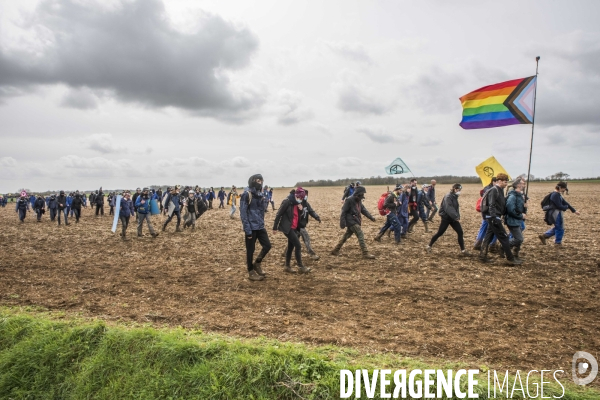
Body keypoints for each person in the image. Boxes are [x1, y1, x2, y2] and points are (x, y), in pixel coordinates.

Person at [478, 173, 521, 265]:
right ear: (500, 181)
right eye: (505, 182)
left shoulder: (500, 190)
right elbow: (491, 205)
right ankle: (510, 258)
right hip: (493, 217)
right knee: (504, 237)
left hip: (493, 217)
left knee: (488, 236)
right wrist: (494, 218)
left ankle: (482, 256)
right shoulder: (494, 190)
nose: (506, 184)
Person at [331, 186, 377, 259]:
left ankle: (335, 250)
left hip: (355, 220)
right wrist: (342, 222)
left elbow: (363, 210)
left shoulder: (359, 200)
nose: (363, 196)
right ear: (358, 194)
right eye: (362, 194)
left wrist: (371, 217)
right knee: (360, 234)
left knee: (346, 236)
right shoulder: (349, 200)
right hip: (351, 221)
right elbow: (343, 211)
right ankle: (365, 253)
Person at [240, 174, 271, 281]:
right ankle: (250, 271)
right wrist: (248, 230)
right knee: (250, 250)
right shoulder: (246, 195)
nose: (260, 182)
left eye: (262, 180)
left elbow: (262, 211)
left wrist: (264, 201)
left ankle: (257, 263)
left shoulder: (260, 195)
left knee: (267, 245)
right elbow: (243, 214)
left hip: (260, 226)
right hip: (251, 228)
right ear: (252, 181)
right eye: (258, 180)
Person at [273, 188, 312, 274]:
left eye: (302, 199)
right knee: (298, 245)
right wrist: (275, 227)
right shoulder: (287, 202)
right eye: (300, 198)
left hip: (294, 228)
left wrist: (301, 210)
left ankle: (287, 266)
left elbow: (299, 217)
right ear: (296, 196)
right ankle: (301, 266)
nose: (301, 200)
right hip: (287, 228)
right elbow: (279, 214)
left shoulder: (298, 203)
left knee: (291, 247)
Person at [426, 184, 470, 256]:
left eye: (459, 190)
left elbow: (455, 208)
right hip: (446, 218)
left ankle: (463, 250)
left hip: (452, 218)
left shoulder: (454, 196)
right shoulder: (448, 197)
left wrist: (456, 216)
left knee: (460, 232)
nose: (459, 191)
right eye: (457, 190)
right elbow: (449, 208)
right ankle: (429, 246)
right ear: (453, 189)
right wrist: (456, 217)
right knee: (440, 233)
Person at [539, 181, 580, 245]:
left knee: (558, 227)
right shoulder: (555, 195)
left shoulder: (557, 194)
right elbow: (559, 206)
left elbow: (565, 203)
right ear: (560, 188)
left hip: (556, 213)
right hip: (556, 213)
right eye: (564, 189)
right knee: (560, 228)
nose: (564, 190)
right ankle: (557, 242)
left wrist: (574, 211)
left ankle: (545, 236)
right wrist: (565, 207)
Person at [505, 179, 526, 260]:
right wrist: (520, 215)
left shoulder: (519, 195)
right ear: (518, 185)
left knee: (519, 239)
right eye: (523, 184)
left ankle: (514, 254)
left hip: (517, 220)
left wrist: (524, 206)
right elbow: (510, 210)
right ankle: (504, 246)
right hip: (512, 220)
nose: (524, 185)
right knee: (519, 239)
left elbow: (518, 208)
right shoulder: (513, 196)